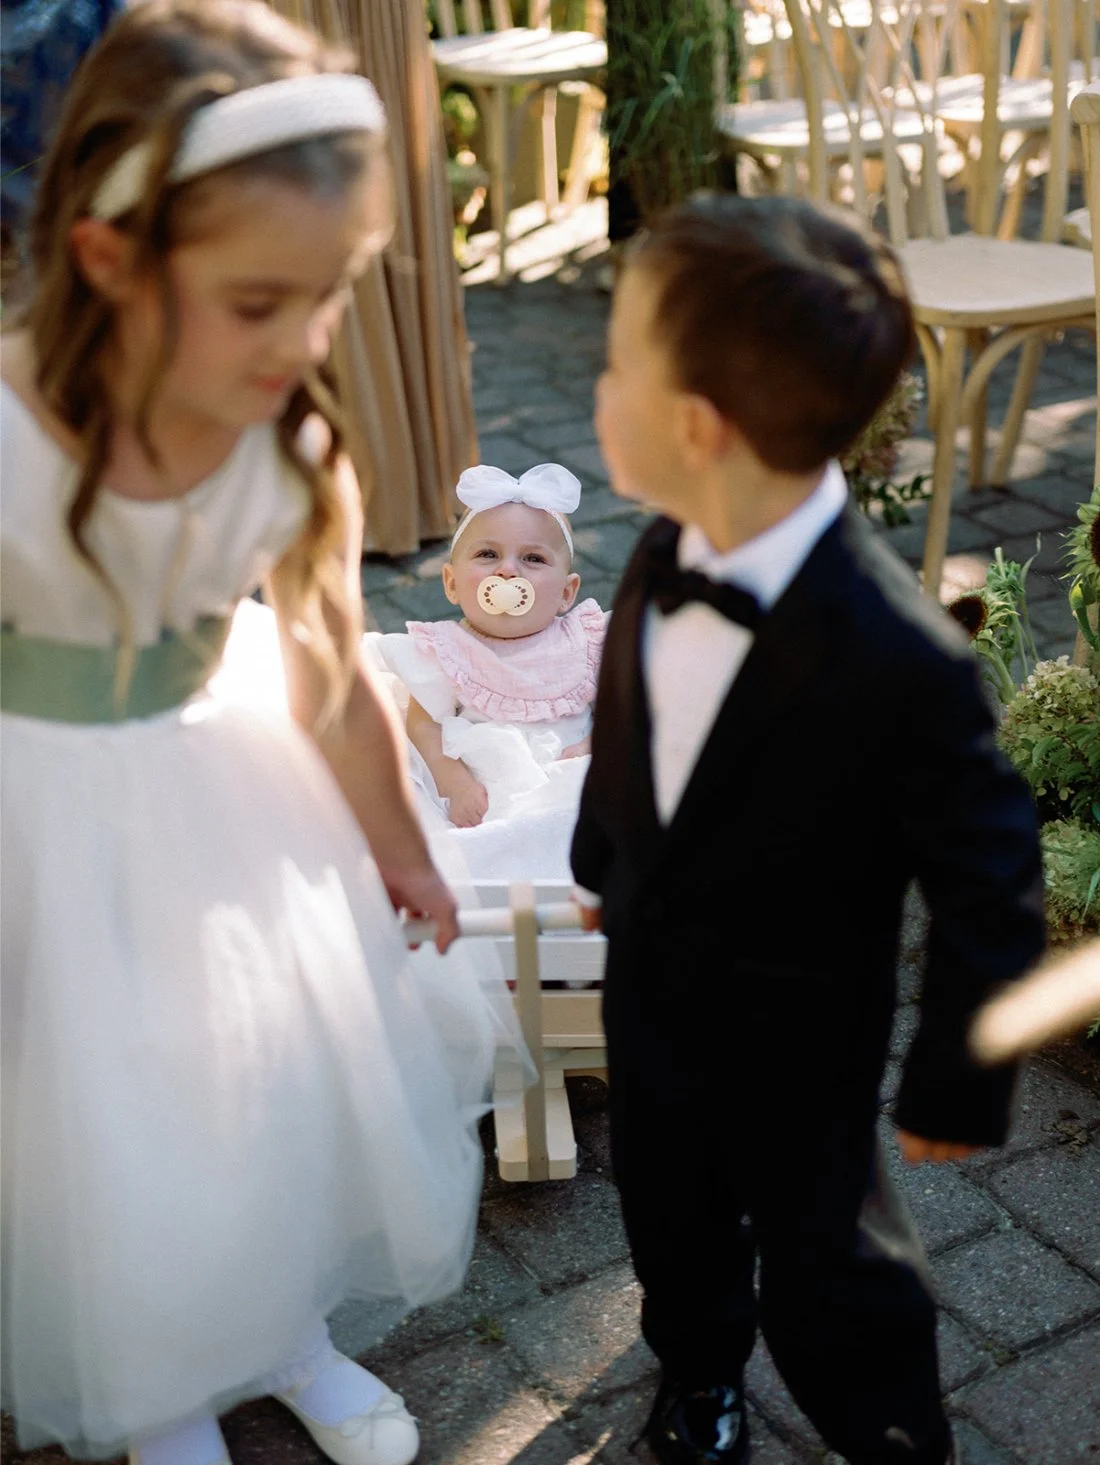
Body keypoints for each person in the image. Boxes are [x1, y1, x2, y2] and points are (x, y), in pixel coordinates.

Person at [0, 5, 517, 1464]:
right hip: (38, 824)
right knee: (97, 1121)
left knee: (258, 1075)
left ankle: (281, 1324)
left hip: (230, 798)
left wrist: (401, 852)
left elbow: (335, 673)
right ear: (110, 258)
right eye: (255, 301)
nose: (301, 344)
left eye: (332, 294)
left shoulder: (292, 454)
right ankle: (157, 1386)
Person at [571, 194, 1046, 1465]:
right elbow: (627, 727)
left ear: (693, 426)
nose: (593, 381)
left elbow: (989, 877)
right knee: (667, 1215)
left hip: (799, 1036)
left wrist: (956, 1072)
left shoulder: (903, 663)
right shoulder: (664, 548)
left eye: (614, 361)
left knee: (830, 1255)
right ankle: (700, 1374)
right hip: (650, 992)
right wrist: (597, 865)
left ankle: (886, 1426)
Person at [380, 462, 606, 832]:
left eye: (533, 558)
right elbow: (423, 726)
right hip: (485, 802)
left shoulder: (586, 640)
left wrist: (592, 747)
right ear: (451, 584)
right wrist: (455, 784)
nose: (507, 571)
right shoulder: (446, 651)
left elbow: (629, 703)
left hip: (572, 792)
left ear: (567, 593)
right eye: (488, 555)